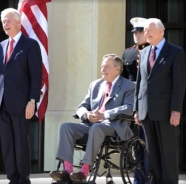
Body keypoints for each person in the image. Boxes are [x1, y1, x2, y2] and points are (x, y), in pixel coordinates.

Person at [49, 54, 135, 182]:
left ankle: (84, 171)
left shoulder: (129, 86)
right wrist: (87, 114)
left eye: (107, 67)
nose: (103, 70)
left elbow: (129, 108)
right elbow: (82, 107)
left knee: (97, 127)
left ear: (118, 69)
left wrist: (105, 114)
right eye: (102, 67)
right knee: (66, 127)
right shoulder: (95, 85)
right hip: (91, 124)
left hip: (114, 125)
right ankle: (67, 170)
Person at [0, 8, 42, 184]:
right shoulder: (1, 46)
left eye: (8, 21)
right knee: (6, 144)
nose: (5, 24)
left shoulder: (30, 45)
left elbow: (36, 76)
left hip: (22, 104)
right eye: (3, 21)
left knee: (21, 142)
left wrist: (32, 101)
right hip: (3, 104)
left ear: (19, 23)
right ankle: (12, 178)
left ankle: (23, 178)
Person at [134, 18, 186, 184]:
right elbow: (140, 82)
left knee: (167, 151)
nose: (145, 33)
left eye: (149, 30)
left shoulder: (175, 52)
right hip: (146, 110)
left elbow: (179, 84)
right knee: (153, 152)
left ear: (161, 32)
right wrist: (137, 108)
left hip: (165, 111)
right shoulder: (143, 53)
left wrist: (176, 109)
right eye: (145, 30)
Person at [121, 17, 149, 184]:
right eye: (135, 32)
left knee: (147, 143)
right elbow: (123, 80)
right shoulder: (128, 52)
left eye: (140, 32)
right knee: (136, 143)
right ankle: (139, 178)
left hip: (148, 103)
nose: (137, 35)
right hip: (132, 104)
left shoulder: (153, 51)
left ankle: (149, 176)